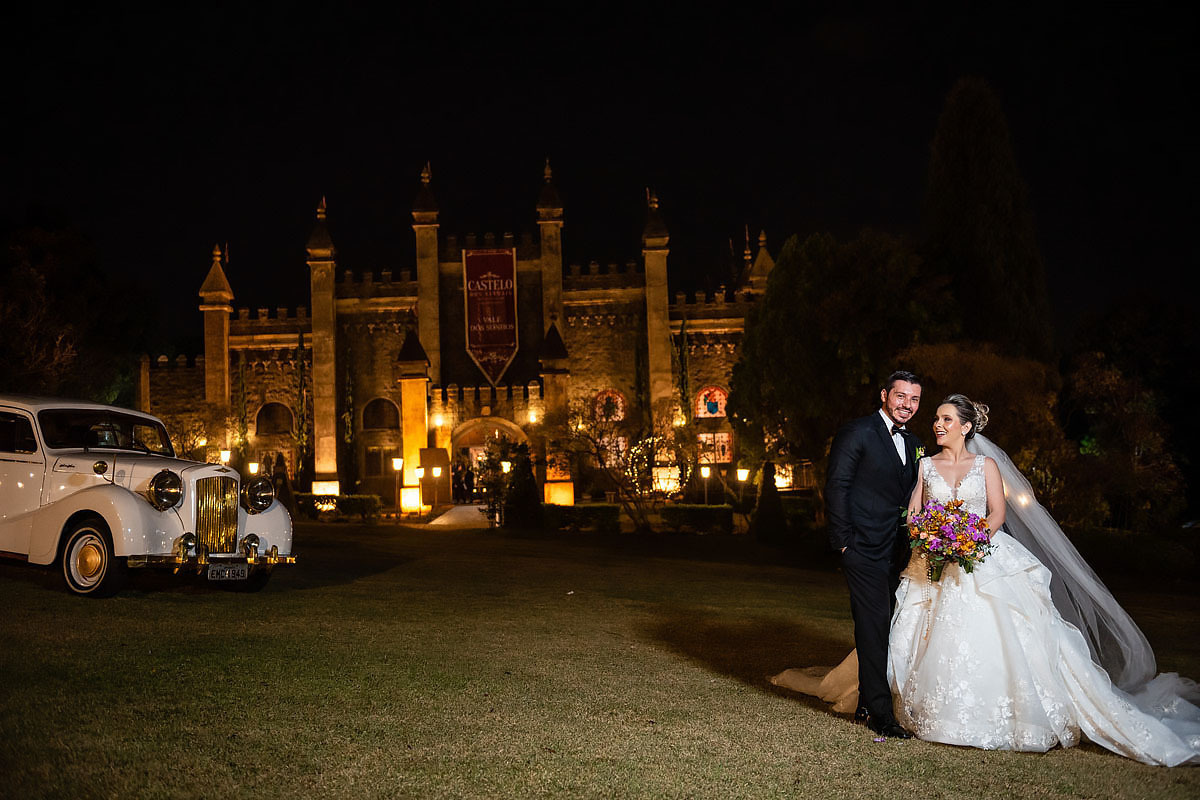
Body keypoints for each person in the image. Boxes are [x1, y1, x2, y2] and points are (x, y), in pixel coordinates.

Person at [776, 394, 1200, 766]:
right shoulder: (925, 465)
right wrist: (929, 537)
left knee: (1001, 632)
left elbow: (997, 512)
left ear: (965, 426)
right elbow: (914, 513)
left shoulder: (986, 465)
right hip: (933, 562)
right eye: (936, 418)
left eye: (945, 419)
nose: (937, 425)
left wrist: (970, 540)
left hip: (983, 557)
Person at [821, 370, 923, 739]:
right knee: (875, 623)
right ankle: (881, 714)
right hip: (862, 546)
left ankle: (866, 700)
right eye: (900, 397)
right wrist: (844, 541)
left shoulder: (914, 442)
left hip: (897, 549)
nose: (907, 405)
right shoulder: (858, 431)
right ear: (884, 395)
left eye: (914, 400)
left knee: (880, 623)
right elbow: (838, 486)